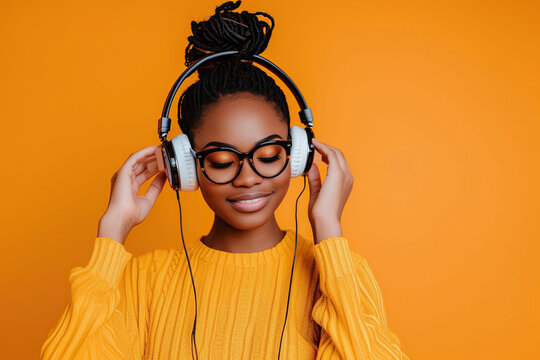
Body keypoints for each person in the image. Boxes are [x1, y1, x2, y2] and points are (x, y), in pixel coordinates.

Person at [41, 1, 409, 359]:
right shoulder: (144, 280)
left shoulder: (331, 277)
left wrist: (329, 230)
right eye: (220, 161)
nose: (248, 178)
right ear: (184, 167)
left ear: (298, 154)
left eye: (268, 156)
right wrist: (112, 231)